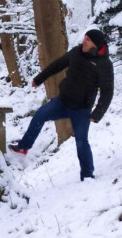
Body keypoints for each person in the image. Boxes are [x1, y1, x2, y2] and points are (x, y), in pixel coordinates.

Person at [8, 29, 114, 181]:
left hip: (82, 109)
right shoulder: (76, 52)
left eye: (88, 40)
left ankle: (87, 175)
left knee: (81, 142)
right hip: (63, 101)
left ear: (95, 45)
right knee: (39, 115)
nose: (84, 41)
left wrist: (97, 114)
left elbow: (107, 92)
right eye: (84, 38)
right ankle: (24, 146)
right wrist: (39, 79)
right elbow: (57, 65)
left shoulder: (104, 65)